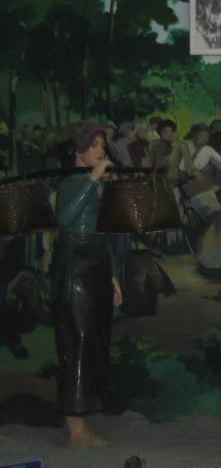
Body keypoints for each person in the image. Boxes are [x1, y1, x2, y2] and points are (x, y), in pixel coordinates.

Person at [51, 123, 122, 446]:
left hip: (97, 261)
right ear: (79, 149)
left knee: (93, 339)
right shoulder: (71, 182)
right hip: (75, 263)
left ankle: (80, 420)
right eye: (94, 145)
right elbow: (64, 220)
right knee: (76, 340)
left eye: (102, 147)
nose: (100, 151)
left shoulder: (96, 184)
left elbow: (102, 230)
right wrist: (93, 179)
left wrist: (113, 275)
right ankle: (76, 430)